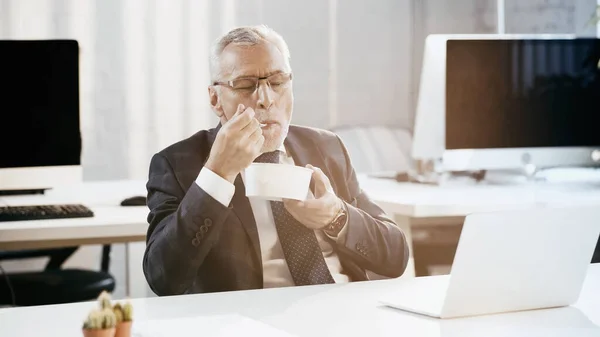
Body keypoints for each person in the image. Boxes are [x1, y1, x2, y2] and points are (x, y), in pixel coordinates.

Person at [143, 25, 409, 295]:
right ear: (215, 99)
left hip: (342, 310)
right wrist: (217, 174)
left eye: (278, 82)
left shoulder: (327, 147)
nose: (266, 100)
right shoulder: (176, 164)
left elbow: (396, 257)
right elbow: (164, 279)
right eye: (246, 86)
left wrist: (335, 216)